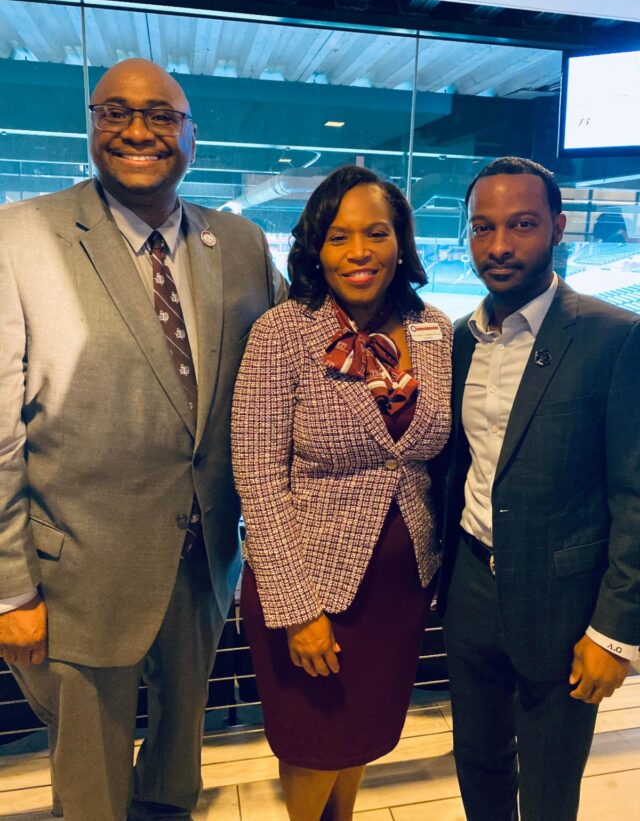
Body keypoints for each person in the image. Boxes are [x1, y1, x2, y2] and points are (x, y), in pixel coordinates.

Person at [0, 57, 285, 821]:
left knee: (176, 765)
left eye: (162, 115)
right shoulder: (21, 235)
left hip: (202, 563)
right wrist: (11, 587)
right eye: (114, 112)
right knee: (92, 784)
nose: (138, 130)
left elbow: (294, 365)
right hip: (79, 575)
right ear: (91, 126)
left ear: (192, 136)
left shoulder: (243, 243)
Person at [232, 165, 452, 821]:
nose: (359, 252)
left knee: (363, 736)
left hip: (398, 589)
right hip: (310, 589)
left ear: (402, 241)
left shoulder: (434, 329)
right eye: (338, 236)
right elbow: (258, 480)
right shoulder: (282, 333)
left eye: (376, 233)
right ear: (314, 249)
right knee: (314, 743)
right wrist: (298, 609)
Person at [437, 156, 640, 821]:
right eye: (483, 227)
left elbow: (634, 492)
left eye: (521, 225)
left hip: (564, 601)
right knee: (479, 761)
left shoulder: (614, 337)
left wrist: (615, 632)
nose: (499, 246)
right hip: (470, 584)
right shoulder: (460, 340)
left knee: (551, 785)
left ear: (558, 228)